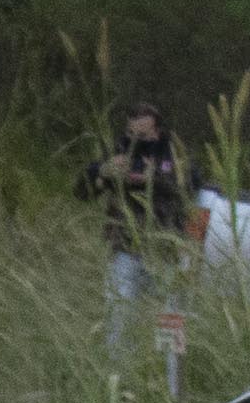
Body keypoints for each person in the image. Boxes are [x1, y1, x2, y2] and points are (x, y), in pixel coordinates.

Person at [81, 99, 191, 332]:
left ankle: (170, 366)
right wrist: (102, 173)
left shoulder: (172, 154)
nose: (137, 140)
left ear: (156, 130)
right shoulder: (120, 151)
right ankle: (118, 365)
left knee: (170, 317)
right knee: (119, 311)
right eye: (132, 132)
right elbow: (83, 190)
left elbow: (190, 185)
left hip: (165, 248)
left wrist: (153, 179)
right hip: (126, 247)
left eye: (143, 134)